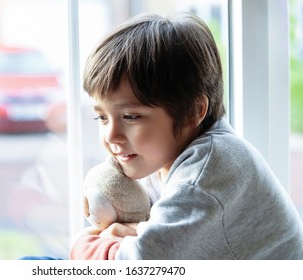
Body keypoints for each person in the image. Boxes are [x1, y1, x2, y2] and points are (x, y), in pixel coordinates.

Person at [70, 13, 303, 260]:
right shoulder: (165, 159)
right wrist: (133, 232)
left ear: (194, 111)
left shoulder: (205, 172)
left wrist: (83, 244)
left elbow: (141, 264)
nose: (111, 136)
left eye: (131, 117)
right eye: (102, 118)